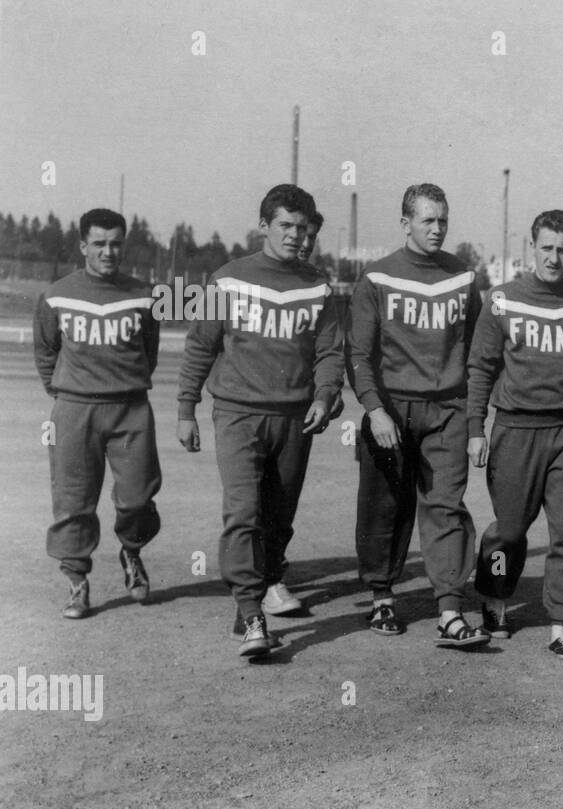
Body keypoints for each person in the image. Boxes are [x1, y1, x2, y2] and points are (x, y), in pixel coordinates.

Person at [177, 184, 345, 658]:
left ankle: (262, 585)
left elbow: (331, 351)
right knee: (243, 512)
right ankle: (252, 613)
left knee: (278, 516)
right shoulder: (225, 280)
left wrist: (326, 393)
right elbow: (199, 347)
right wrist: (185, 409)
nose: (295, 236)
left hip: (294, 419)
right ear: (264, 226)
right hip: (237, 415)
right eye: (285, 226)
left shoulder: (318, 285)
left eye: (302, 228)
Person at [467, 209, 563, 662]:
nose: (554, 257)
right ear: (532, 247)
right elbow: (481, 367)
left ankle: (562, 626)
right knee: (509, 531)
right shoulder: (501, 299)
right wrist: (476, 429)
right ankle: (495, 603)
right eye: (547, 248)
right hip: (515, 428)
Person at [348, 184, 488, 646]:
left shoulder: (463, 279)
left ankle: (449, 608)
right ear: (405, 222)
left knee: (446, 506)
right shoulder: (376, 278)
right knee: (384, 506)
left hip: (446, 410)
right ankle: (382, 597)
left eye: (443, 220)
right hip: (390, 411)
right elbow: (358, 354)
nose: (437, 229)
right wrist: (374, 410)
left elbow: (474, 356)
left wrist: (473, 424)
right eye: (427, 220)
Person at [33, 208, 160, 618]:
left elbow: (149, 352)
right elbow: (45, 351)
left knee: (138, 498)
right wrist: (66, 391)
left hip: (130, 409)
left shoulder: (144, 294)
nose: (109, 252)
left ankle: (132, 552)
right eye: (100, 244)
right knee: (73, 501)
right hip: (75, 410)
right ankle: (76, 581)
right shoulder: (56, 294)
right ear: (84, 245)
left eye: (116, 243)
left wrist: (126, 384)